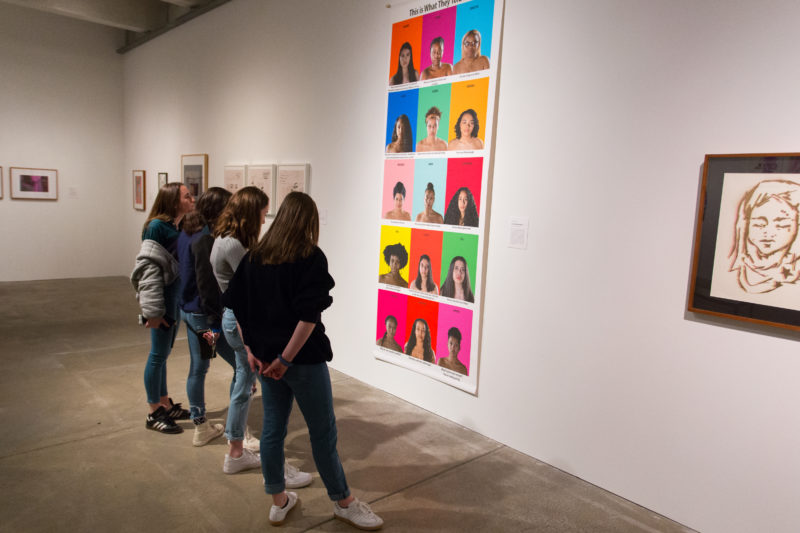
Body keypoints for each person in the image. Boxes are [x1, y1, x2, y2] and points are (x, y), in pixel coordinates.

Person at [223, 192, 384, 530]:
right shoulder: (310, 257)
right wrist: (284, 359)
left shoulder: (255, 257)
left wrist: (253, 351)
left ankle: (279, 501)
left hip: (267, 362)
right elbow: (307, 318)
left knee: (272, 431)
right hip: (300, 362)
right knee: (322, 433)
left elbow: (238, 308)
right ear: (309, 222)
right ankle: (343, 502)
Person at [211, 187, 312, 485]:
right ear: (249, 213)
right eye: (262, 212)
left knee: (244, 382)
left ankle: (237, 450)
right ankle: (240, 454)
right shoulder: (232, 246)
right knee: (248, 386)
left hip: (235, 318)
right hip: (240, 320)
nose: (264, 218)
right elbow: (257, 282)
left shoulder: (225, 240)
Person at [131, 182, 195, 434]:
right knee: (157, 354)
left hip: (174, 300)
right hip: (162, 302)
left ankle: (165, 402)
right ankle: (153, 411)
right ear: (173, 201)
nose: (192, 199)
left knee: (164, 353)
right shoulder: (156, 227)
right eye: (187, 196)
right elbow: (149, 271)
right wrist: (153, 312)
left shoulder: (175, 226)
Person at [177, 187, 237, 446]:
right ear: (219, 210)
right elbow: (205, 283)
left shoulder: (188, 230)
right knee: (238, 365)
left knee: (200, 368)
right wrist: (216, 317)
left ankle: (201, 424)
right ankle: (222, 429)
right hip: (204, 316)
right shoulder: (204, 239)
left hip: (192, 312)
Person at [728, 179, 800, 293]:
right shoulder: (734, 265)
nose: (768, 232)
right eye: (759, 224)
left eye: (781, 225)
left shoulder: (794, 273)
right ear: (746, 224)